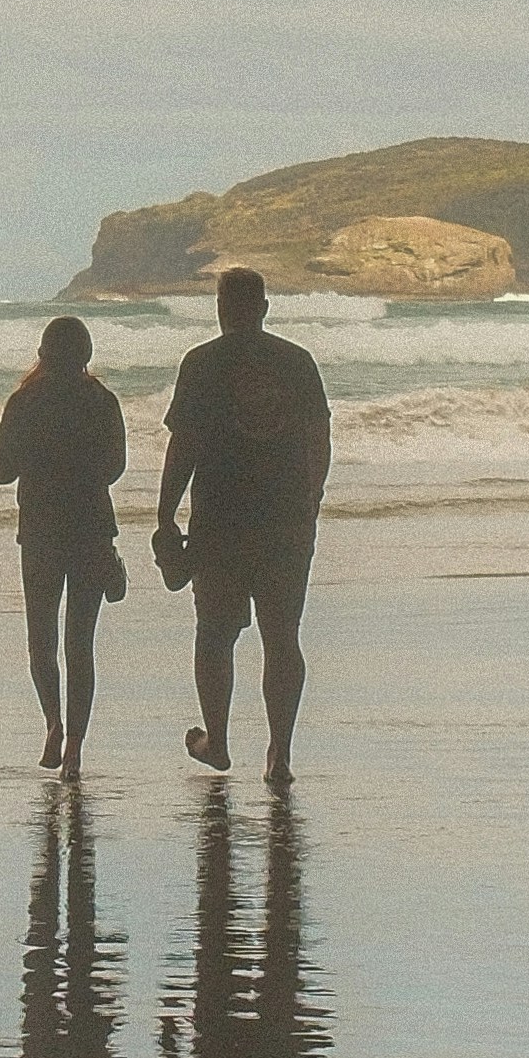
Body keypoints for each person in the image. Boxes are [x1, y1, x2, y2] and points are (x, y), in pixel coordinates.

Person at [154, 262, 332, 775]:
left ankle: (221, 742)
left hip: (220, 520)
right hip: (286, 522)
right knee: (282, 637)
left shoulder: (202, 363)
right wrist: (310, 500)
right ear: (264, 308)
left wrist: (165, 515)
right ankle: (280, 753)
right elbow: (320, 439)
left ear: (221, 309)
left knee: (215, 632)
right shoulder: (297, 362)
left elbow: (182, 446)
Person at [0, 311, 130, 770]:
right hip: (91, 530)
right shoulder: (102, 401)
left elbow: (0, 470)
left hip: (41, 532)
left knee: (41, 639)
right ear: (87, 355)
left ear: (42, 354)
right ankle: (74, 751)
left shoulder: (25, 402)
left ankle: (52, 722)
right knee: (79, 643)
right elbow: (114, 469)